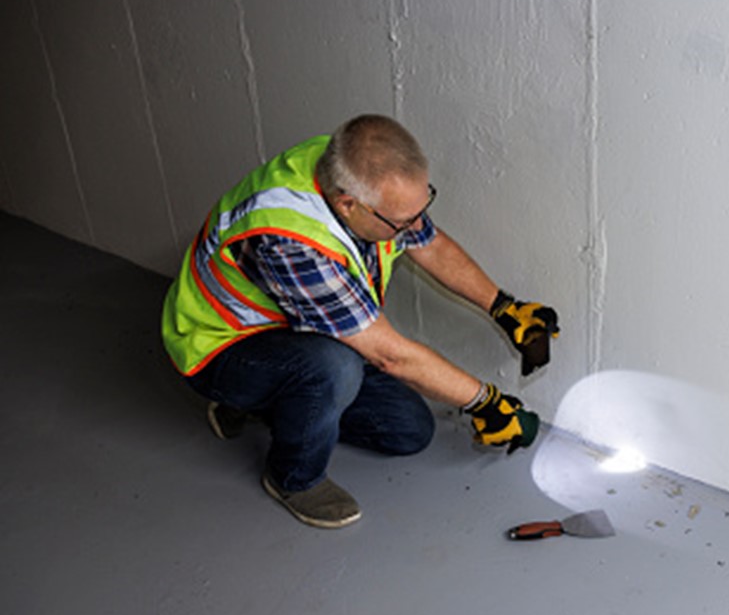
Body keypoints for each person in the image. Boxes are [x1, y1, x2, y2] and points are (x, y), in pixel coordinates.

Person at [161, 114, 559, 529]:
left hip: (298, 330)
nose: (412, 225)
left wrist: (504, 307)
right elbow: (389, 356)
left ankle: (273, 403)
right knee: (336, 367)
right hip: (220, 348)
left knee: (409, 431)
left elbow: (431, 245)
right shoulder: (291, 239)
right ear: (347, 203)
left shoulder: (355, 170)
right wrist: (487, 404)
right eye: (401, 222)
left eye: (419, 209)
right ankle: (292, 477)